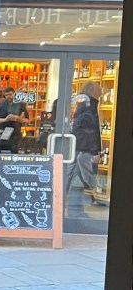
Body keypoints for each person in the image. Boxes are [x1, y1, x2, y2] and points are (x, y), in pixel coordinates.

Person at [65, 80, 102, 209]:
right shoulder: (89, 106)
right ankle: (94, 198)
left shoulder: (86, 104)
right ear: (92, 91)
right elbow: (90, 131)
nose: (101, 90)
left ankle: (62, 198)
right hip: (84, 147)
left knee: (73, 173)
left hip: (81, 146)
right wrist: (94, 151)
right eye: (98, 88)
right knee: (82, 172)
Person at [0, 87, 29, 153]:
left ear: (14, 94)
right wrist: (5, 119)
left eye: (10, 94)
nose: (8, 96)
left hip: (15, 135)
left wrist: (18, 119)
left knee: (14, 153)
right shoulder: (1, 106)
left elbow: (26, 120)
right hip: (2, 133)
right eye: (6, 95)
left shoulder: (20, 105)